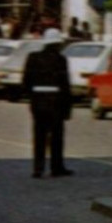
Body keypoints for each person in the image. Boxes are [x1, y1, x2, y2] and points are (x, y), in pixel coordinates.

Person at [21, 28, 73, 178]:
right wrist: (67, 107)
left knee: (39, 135)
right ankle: (56, 167)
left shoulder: (33, 57)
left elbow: (26, 81)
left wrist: (31, 96)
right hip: (56, 100)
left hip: (38, 100)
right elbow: (65, 85)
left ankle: (38, 168)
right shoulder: (60, 59)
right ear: (57, 44)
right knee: (56, 136)